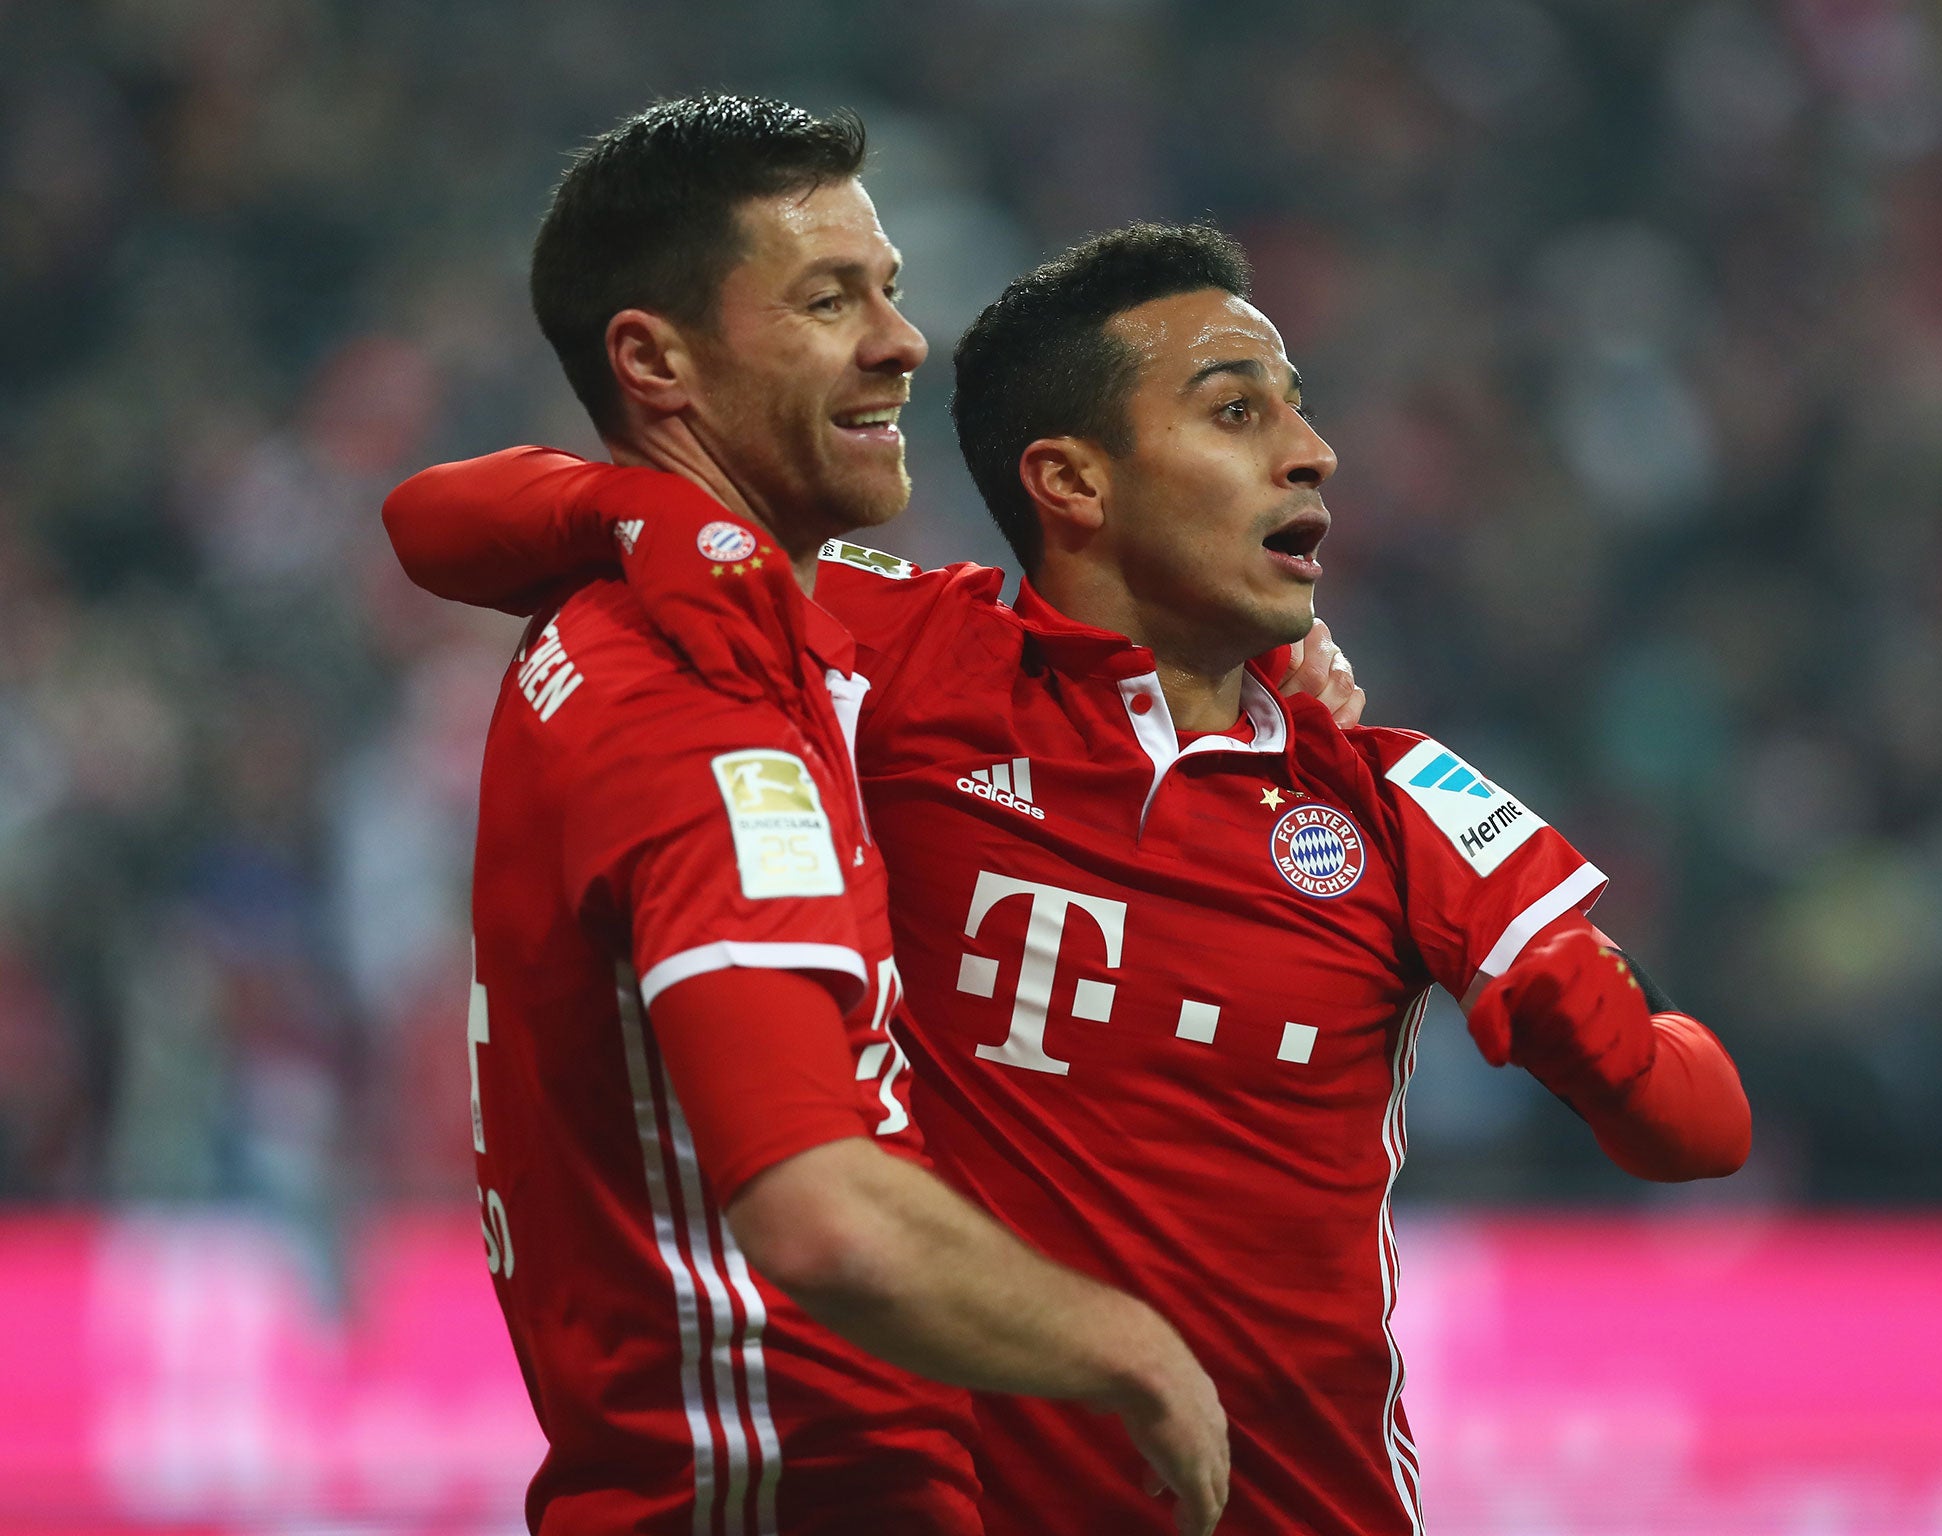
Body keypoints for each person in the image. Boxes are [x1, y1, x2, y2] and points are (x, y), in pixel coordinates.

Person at [389, 186, 1752, 1536]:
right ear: (1071, 481)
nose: (1314, 452)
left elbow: (1696, 1129)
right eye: (1238, 410)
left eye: (1296, 405)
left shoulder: (1391, 803)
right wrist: (640, 517)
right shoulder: (899, 661)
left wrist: (1599, 1006)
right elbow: (433, 524)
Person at [438, 96, 1233, 1536]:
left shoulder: (737, 608)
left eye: (891, 288)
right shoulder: (697, 707)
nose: (901, 340)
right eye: (828, 299)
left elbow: (431, 516)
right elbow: (821, 1213)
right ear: (655, 362)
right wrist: (1135, 1351)